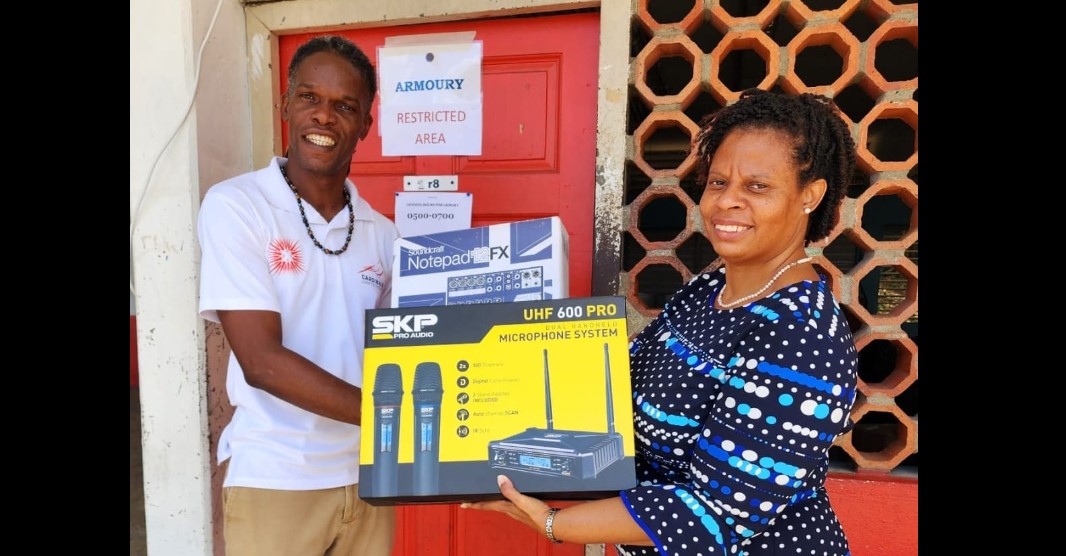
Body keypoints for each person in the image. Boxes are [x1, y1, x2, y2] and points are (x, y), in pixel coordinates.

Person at [464, 88, 859, 556]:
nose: (727, 202)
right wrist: (494, 368)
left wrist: (553, 522)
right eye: (717, 183)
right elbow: (614, 381)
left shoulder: (801, 335)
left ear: (810, 195)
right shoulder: (707, 292)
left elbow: (717, 512)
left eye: (757, 187)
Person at [197, 35, 398, 556]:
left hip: (369, 480)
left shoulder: (383, 234)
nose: (324, 117)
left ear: (365, 127)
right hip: (276, 478)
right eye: (310, 97)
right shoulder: (238, 207)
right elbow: (261, 362)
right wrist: (392, 417)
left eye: (344, 106)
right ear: (286, 104)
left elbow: (410, 347)